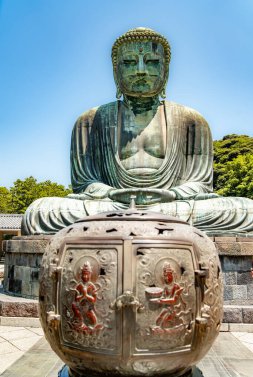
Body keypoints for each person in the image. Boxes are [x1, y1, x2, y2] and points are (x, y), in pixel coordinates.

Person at [22, 27, 253, 236]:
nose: (141, 70)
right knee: (41, 212)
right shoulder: (90, 121)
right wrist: (113, 194)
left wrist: (171, 195)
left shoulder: (192, 120)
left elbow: (201, 184)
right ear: (116, 71)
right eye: (130, 62)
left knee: (245, 211)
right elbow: (85, 184)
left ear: (166, 70)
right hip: (113, 205)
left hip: (171, 206)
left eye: (151, 61)